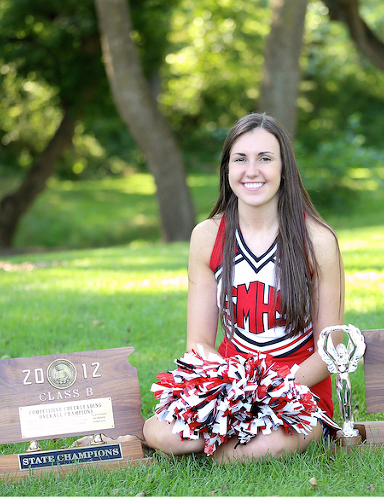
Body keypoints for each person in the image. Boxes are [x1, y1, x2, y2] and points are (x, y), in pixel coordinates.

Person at [143, 112, 345, 463]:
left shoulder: (318, 240)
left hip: (298, 388)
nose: (252, 171)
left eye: (265, 159)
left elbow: (330, 349)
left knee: (260, 447)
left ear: (285, 168)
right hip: (229, 382)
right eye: (241, 159)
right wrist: (231, 390)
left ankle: (219, 444)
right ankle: (204, 438)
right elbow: (199, 344)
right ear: (227, 169)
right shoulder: (206, 237)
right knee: (166, 435)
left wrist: (277, 390)